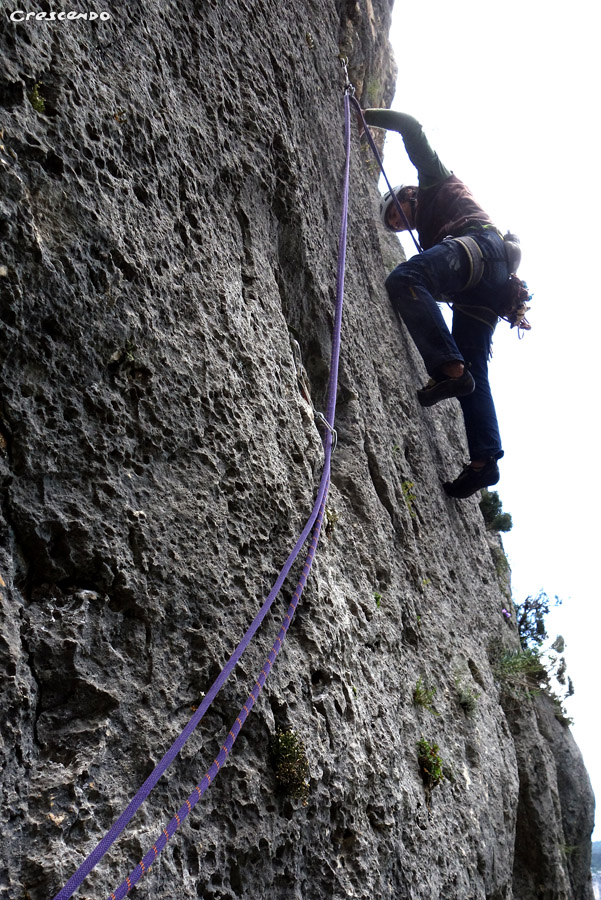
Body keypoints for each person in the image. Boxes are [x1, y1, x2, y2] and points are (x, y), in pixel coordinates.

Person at [362, 109, 520, 499]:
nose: (400, 223)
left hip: (479, 246)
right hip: (484, 287)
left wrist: (365, 114)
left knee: (406, 278)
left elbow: (412, 128)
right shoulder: (432, 235)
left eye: (397, 212)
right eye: (395, 225)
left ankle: (448, 369)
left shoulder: (433, 180)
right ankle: (483, 462)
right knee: (475, 371)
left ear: (408, 194)